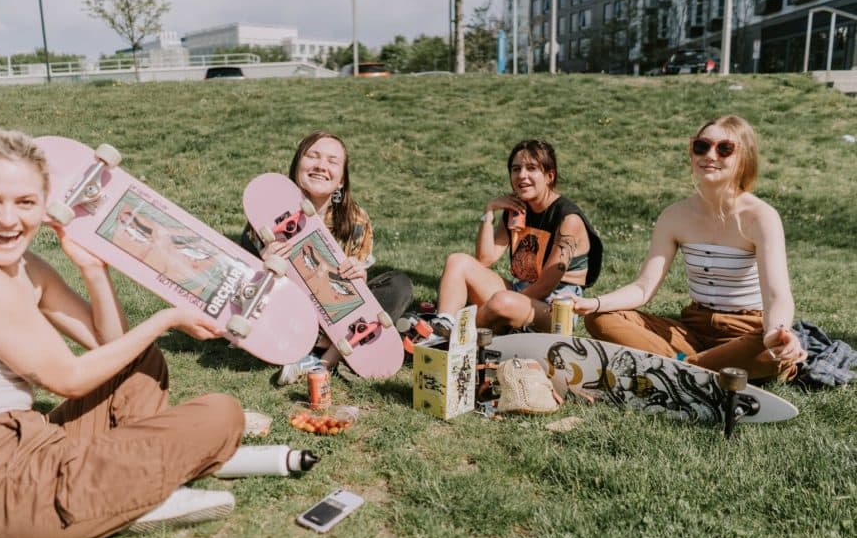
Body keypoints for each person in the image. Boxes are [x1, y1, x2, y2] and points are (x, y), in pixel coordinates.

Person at [0, 128, 244, 538]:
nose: (8, 220)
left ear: (45, 203)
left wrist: (93, 270)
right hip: (0, 497)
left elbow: (109, 343)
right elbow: (68, 380)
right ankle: (138, 493)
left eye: (25, 202)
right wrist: (165, 319)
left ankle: (129, 487)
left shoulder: (24, 266)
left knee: (142, 367)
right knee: (223, 413)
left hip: (34, 446)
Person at [577, 115, 805, 382]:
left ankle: (675, 368)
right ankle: (695, 368)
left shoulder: (761, 217)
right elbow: (643, 288)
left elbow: (777, 295)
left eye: (724, 148)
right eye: (701, 146)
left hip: (746, 331)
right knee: (600, 319)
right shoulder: (675, 215)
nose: (710, 155)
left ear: (744, 157)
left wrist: (775, 333)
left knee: (771, 351)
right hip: (693, 330)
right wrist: (593, 303)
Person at [240, 131, 413, 384]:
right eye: (312, 156)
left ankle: (322, 363)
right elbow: (244, 290)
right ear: (297, 165)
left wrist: (359, 275)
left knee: (399, 284)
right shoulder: (265, 215)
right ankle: (309, 354)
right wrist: (265, 265)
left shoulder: (355, 220)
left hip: (336, 320)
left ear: (341, 181)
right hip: (288, 316)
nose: (321, 166)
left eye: (332, 161)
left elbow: (355, 302)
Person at [431, 139, 602, 336]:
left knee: (501, 302)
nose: (522, 175)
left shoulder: (568, 219)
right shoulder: (517, 209)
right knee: (457, 261)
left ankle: (456, 335)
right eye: (516, 169)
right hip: (520, 292)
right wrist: (489, 211)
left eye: (531, 168)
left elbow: (547, 284)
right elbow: (485, 259)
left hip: (555, 310)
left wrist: (509, 299)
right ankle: (443, 322)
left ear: (549, 176)